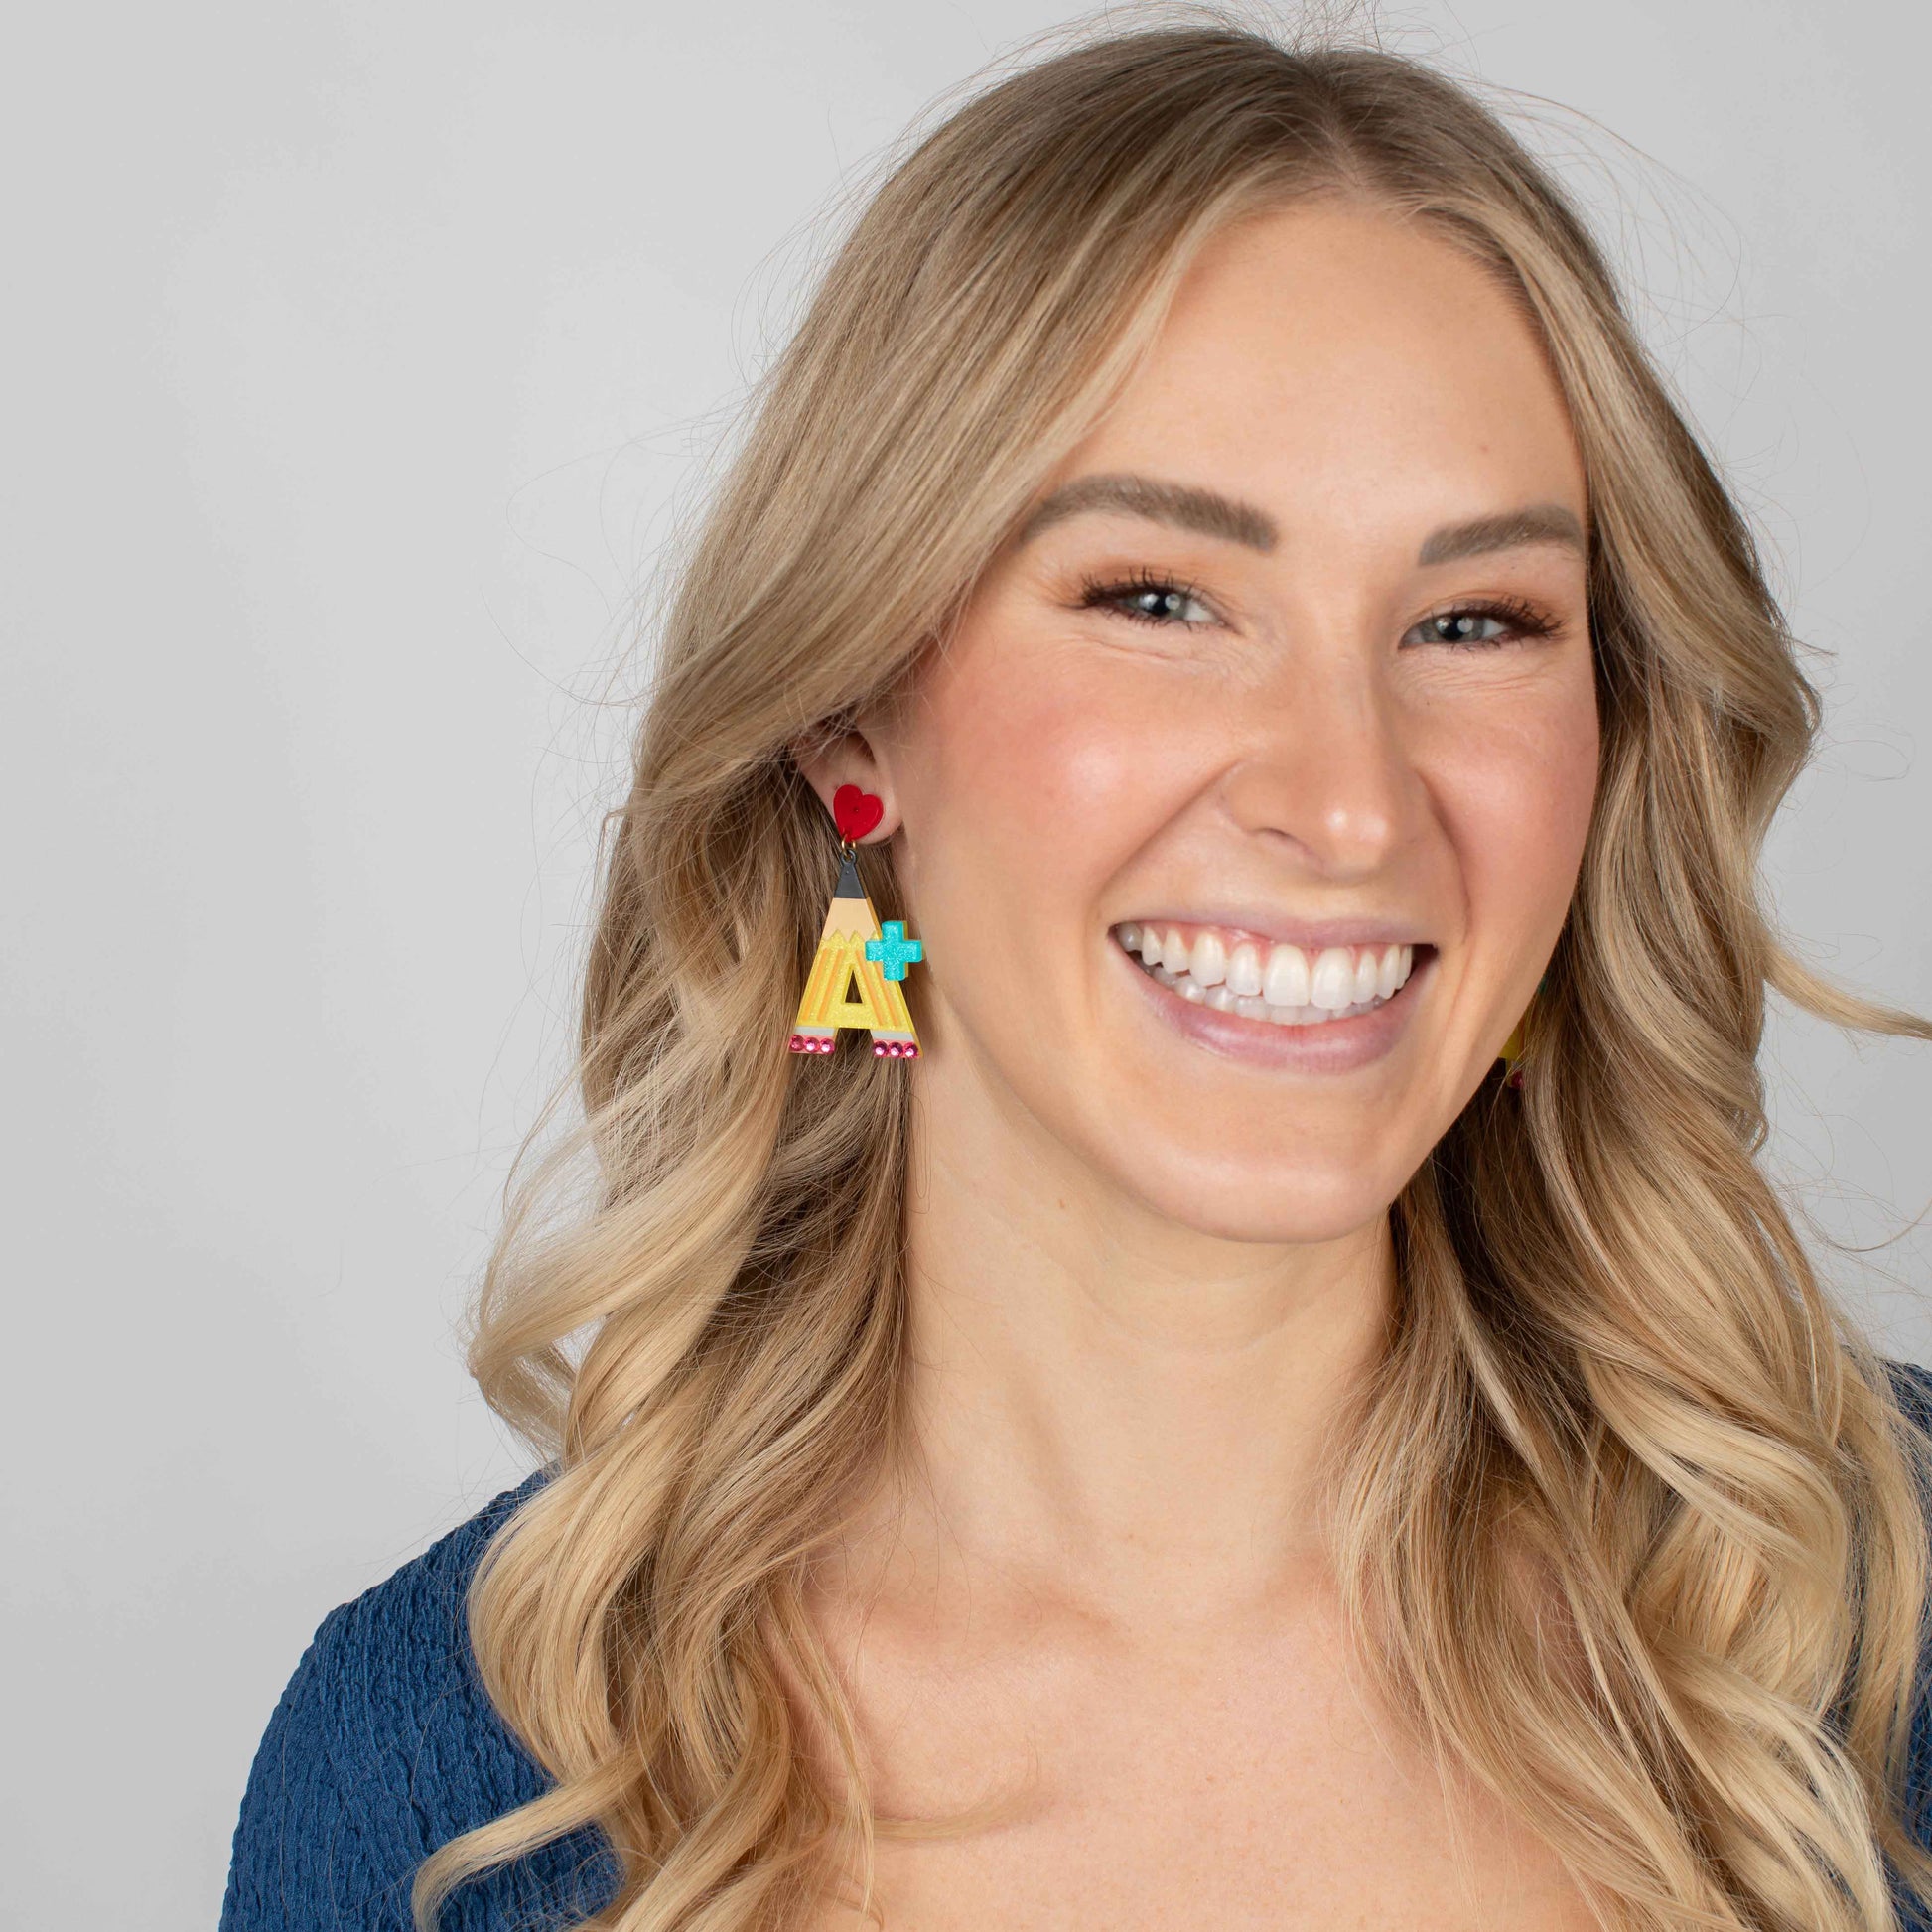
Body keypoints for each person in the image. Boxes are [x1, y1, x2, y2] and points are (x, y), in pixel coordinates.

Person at [218, 14, 1932, 1931]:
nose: (1349, 804)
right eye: (1159, 599)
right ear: (850, 712)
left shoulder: (1879, 1624)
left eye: (1474, 621)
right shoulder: (447, 1769)